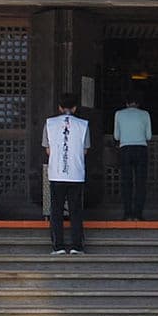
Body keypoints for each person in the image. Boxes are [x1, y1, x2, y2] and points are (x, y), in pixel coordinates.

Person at [44, 93, 89, 254]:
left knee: (56, 210)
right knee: (76, 210)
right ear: (75, 108)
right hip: (76, 173)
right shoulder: (83, 125)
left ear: (60, 107)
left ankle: (58, 246)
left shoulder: (49, 124)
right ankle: (77, 246)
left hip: (56, 173)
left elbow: (48, 150)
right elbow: (84, 150)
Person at [114, 91, 153, 220]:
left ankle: (127, 214)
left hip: (125, 149)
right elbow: (149, 136)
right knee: (140, 183)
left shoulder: (119, 114)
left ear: (126, 103)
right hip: (141, 149)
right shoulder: (145, 114)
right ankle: (138, 214)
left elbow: (116, 136)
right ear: (138, 103)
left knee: (126, 182)